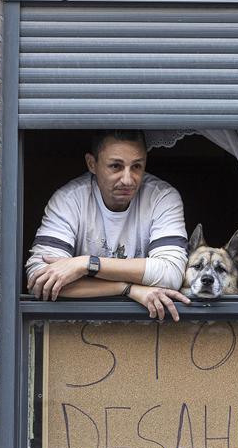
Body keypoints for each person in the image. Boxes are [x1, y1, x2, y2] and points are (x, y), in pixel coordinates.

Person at [25, 130, 191, 321]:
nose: (128, 179)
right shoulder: (69, 200)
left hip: (146, 328)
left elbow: (171, 274)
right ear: (92, 164)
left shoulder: (161, 197)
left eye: (137, 166)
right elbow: (39, 278)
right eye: (115, 166)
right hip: (75, 329)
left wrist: (85, 264)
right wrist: (126, 288)